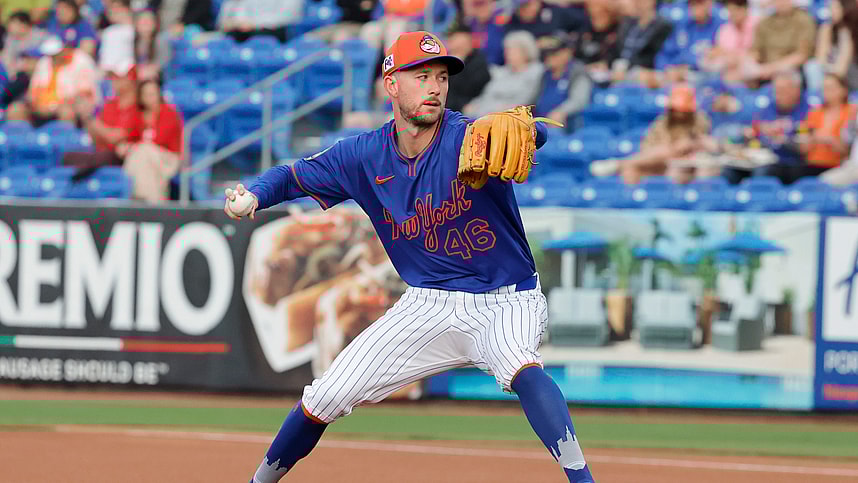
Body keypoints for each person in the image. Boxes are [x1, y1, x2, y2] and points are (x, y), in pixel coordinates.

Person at [224, 30, 594, 483]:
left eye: (441, 77)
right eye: (421, 77)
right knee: (324, 396)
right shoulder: (363, 155)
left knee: (521, 365)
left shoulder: (469, 138)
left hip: (505, 299)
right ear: (391, 84)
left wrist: (532, 132)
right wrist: (255, 196)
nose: (435, 87)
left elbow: (529, 134)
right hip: (426, 303)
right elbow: (292, 176)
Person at [605, 84, 716, 185]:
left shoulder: (700, 120)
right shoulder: (662, 122)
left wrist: (682, 147)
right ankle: (632, 195)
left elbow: (698, 143)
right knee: (630, 169)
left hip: (688, 164)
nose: (679, 114)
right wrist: (670, 150)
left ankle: (619, 163)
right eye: (675, 110)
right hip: (660, 163)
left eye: (683, 111)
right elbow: (647, 149)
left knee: (679, 160)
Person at [722, 69, 811, 184]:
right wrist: (749, 135)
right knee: (728, 172)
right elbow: (754, 133)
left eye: (782, 90)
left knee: (761, 174)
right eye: (776, 90)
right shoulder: (768, 108)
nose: (777, 95)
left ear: (796, 90)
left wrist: (783, 139)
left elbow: (805, 148)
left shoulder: (808, 111)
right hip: (759, 158)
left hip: (789, 163)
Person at [63, 61, 143, 172]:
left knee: (104, 157)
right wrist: (85, 116)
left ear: (130, 79)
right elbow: (96, 139)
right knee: (67, 157)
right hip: (102, 153)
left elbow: (115, 138)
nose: (113, 81)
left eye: (118, 77)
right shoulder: (110, 104)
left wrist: (90, 117)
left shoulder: (138, 106)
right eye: (112, 77)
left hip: (124, 157)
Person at [6, 35, 100, 127]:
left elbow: (85, 94)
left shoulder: (82, 61)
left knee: (66, 112)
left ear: (66, 48)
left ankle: (68, 137)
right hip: (43, 106)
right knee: (15, 110)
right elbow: (33, 90)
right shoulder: (44, 61)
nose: (52, 57)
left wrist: (57, 105)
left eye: (56, 54)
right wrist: (37, 104)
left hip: (68, 105)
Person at [121, 79, 184, 203]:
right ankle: (150, 199)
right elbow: (130, 137)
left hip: (168, 158)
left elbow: (159, 140)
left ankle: (142, 198)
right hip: (144, 158)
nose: (149, 98)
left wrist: (132, 147)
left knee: (144, 152)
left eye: (152, 94)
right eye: (146, 94)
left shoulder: (169, 113)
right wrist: (125, 146)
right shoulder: (138, 114)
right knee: (142, 157)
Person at [463, 30, 543, 118]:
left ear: (525, 51)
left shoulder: (535, 71)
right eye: (506, 50)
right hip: (486, 112)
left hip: (510, 117)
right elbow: (486, 95)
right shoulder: (501, 72)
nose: (507, 54)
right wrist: (474, 104)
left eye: (511, 50)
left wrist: (500, 110)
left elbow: (526, 100)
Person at [795, 74, 855, 179]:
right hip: (812, 163)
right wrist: (810, 140)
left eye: (831, 88)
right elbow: (803, 148)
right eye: (824, 88)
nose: (826, 92)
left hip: (839, 165)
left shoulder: (852, 112)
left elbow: (850, 150)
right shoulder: (814, 112)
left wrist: (830, 140)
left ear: (844, 90)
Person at [744, 0, 816, 85]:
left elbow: (802, 55)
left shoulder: (803, 20)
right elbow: (756, 50)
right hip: (764, 68)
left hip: (791, 68)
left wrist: (771, 68)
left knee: (782, 81)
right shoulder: (765, 22)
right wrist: (752, 64)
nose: (781, 2)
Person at [657, 0, 724, 82]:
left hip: (703, 77)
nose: (696, 7)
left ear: (709, 3)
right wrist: (667, 69)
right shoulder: (683, 25)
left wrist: (688, 67)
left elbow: (716, 58)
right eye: (692, 4)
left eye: (700, 3)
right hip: (674, 74)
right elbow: (664, 54)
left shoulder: (720, 26)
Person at [534, 31, 592, 127]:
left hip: (564, 125)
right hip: (539, 124)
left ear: (567, 52)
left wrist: (561, 111)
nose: (549, 57)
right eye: (546, 54)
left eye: (554, 53)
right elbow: (533, 99)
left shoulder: (577, 72)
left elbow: (579, 101)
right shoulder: (545, 74)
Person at [612, 0, 672, 84]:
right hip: (617, 69)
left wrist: (628, 69)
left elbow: (651, 55)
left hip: (642, 73)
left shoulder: (663, 26)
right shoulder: (628, 22)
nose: (638, 3)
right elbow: (617, 49)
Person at [702, 0, 758, 83]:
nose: (733, 14)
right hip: (728, 64)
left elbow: (757, 53)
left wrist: (737, 57)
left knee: (750, 67)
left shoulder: (757, 24)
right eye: (730, 10)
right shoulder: (725, 29)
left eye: (736, 10)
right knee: (708, 64)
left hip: (749, 65)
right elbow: (718, 50)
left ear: (745, 9)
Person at [445, 24, 491, 113]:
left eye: (463, 44)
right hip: (447, 105)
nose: (459, 48)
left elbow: (472, 90)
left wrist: (459, 64)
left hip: (470, 106)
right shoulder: (444, 61)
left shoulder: (479, 62)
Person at [217, 0, 302, 43]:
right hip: (251, 28)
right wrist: (238, 22)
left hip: (277, 30)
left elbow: (288, 16)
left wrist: (255, 24)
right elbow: (243, 11)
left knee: (261, 36)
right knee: (232, 34)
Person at [1, 10, 47, 77]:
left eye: (13, 24)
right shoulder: (10, 38)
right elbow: (7, 59)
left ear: (23, 25)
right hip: (19, 74)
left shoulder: (40, 36)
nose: (9, 27)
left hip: (40, 73)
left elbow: (44, 60)